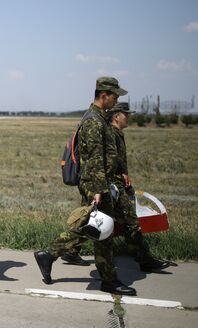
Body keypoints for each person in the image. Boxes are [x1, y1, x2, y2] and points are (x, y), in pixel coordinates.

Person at [34, 77, 137, 295]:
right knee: (102, 231)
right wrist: (98, 190)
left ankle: (49, 254)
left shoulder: (100, 119)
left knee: (97, 229)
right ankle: (108, 280)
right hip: (96, 184)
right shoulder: (93, 121)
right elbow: (94, 160)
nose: (116, 100)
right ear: (104, 95)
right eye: (115, 95)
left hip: (102, 182)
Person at [60, 103, 168, 272]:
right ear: (117, 116)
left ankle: (67, 250)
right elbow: (106, 162)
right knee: (129, 222)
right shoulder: (110, 132)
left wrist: (124, 173)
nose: (129, 117)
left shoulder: (116, 132)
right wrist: (114, 181)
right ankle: (142, 260)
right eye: (126, 114)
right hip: (108, 185)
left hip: (105, 184)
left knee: (92, 220)